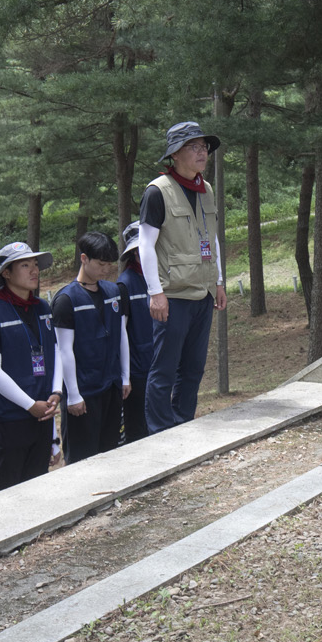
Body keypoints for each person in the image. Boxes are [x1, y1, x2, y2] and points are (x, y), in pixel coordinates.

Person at [138, 123, 227, 433]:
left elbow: (211, 237)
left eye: (205, 147)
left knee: (193, 369)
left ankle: (183, 424)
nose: (202, 152)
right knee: (164, 370)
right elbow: (145, 245)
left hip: (202, 293)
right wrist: (155, 292)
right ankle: (160, 432)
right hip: (173, 295)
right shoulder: (157, 192)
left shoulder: (207, 189)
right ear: (174, 154)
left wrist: (218, 281)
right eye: (194, 147)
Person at [0, 242, 62, 490]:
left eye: (35, 265)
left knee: (37, 485)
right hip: (9, 419)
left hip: (43, 413)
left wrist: (56, 391)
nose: (34, 270)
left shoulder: (43, 308)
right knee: (8, 490)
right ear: (6, 273)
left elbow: (55, 352)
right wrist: (29, 405)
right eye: (25, 265)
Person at [52, 232, 131, 462]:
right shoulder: (67, 300)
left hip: (112, 385)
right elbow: (63, 350)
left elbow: (121, 334)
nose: (106, 269)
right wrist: (74, 394)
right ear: (84, 258)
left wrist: (125, 377)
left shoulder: (114, 292)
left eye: (110, 264)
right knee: (83, 458)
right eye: (101, 263)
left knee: (111, 451)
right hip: (84, 393)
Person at [116, 222, 155, 443]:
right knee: (137, 429)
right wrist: (125, 375)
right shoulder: (125, 284)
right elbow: (121, 331)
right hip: (137, 371)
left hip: (157, 364)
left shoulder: (158, 277)